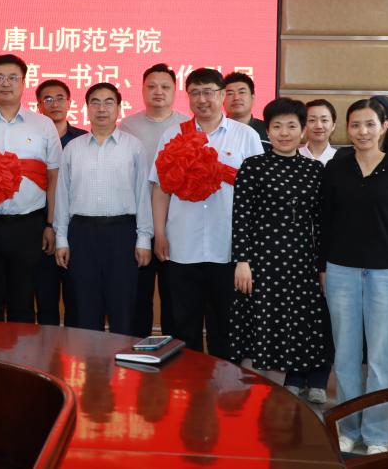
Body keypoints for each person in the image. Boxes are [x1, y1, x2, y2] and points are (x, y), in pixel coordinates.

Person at [320, 98, 388, 456]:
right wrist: (322, 268)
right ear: (347, 129)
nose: (362, 131)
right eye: (356, 125)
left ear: (384, 126)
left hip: (386, 272)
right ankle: (348, 427)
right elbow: (325, 222)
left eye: (369, 124)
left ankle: (377, 434)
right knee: (345, 354)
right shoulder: (336, 167)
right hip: (340, 270)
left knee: (380, 356)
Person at [150, 68, 263, 358]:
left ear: (222, 95)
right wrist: (159, 233)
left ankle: (224, 384)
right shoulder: (173, 134)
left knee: (226, 329)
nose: (202, 99)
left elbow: (257, 195)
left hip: (227, 248)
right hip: (182, 247)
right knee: (183, 326)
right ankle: (187, 383)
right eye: (195, 93)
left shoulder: (245, 136)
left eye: (209, 92)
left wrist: (250, 248)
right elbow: (161, 188)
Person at [230, 98, 331, 403]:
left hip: (300, 262)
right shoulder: (253, 166)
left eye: (291, 126)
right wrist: (242, 261)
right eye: (277, 126)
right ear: (268, 131)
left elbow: (320, 223)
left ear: (303, 130)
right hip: (260, 261)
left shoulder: (314, 170)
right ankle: (257, 391)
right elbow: (241, 217)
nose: (284, 133)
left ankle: (289, 387)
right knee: (260, 323)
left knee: (297, 324)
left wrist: (321, 266)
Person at [0, 54, 62, 322]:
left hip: (28, 226)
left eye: (13, 78)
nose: (6, 83)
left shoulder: (43, 125)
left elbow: (54, 178)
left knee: (23, 303)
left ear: (24, 83)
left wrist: (50, 224)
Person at [54, 83, 153, 335]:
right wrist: (61, 239)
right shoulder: (73, 148)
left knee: (123, 308)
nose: (101, 109)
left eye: (109, 102)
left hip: (122, 233)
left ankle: (123, 359)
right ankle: (90, 360)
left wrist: (144, 238)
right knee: (85, 307)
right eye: (95, 103)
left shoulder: (133, 147)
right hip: (82, 233)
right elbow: (62, 196)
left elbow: (143, 194)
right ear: (87, 109)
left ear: (119, 108)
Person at [119, 63, 189, 337]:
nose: (158, 91)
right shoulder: (127, 126)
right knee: (138, 295)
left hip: (177, 223)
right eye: (152, 86)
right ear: (142, 90)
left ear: (175, 90)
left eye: (165, 86)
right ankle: (137, 351)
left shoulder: (187, 126)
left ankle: (174, 353)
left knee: (175, 297)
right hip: (136, 223)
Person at [34, 79, 88, 326]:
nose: (54, 104)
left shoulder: (84, 140)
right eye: (48, 99)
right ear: (39, 106)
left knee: (77, 297)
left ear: (69, 103)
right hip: (39, 228)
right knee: (45, 297)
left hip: (76, 228)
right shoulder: (32, 139)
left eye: (60, 98)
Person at [222, 71, 270, 149]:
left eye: (242, 92)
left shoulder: (268, 130)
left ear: (252, 98)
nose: (236, 98)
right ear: (222, 99)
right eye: (230, 94)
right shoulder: (214, 131)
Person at [300, 99, 337, 164]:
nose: (318, 126)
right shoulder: (294, 156)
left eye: (324, 120)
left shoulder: (340, 158)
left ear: (333, 126)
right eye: (312, 120)